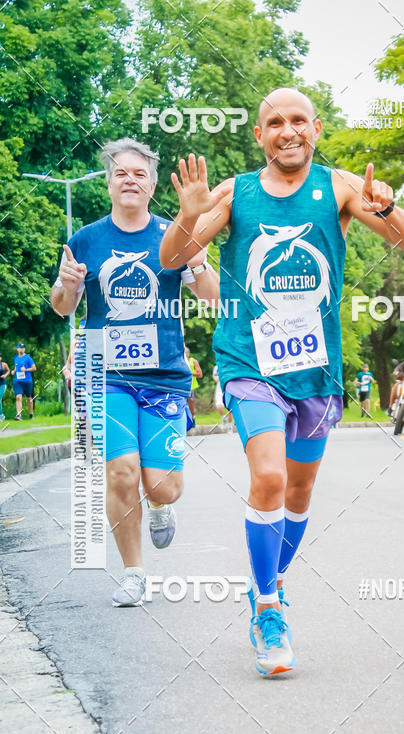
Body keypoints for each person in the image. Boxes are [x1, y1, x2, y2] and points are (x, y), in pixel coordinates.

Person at [159, 87, 404, 675]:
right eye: (274, 122)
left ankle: (264, 583)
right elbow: (173, 260)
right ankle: (270, 611)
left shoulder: (341, 187)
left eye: (297, 120)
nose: (287, 130)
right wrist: (186, 214)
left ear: (316, 129)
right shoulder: (234, 193)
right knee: (271, 476)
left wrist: (386, 208)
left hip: (316, 370)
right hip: (248, 363)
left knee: (300, 494)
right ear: (260, 135)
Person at [50, 137, 219, 607]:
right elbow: (63, 306)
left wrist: (199, 258)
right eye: (120, 172)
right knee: (121, 472)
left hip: (164, 375)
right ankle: (134, 573)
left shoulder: (175, 234)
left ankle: (162, 507)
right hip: (104, 374)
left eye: (138, 173)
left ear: (150, 185)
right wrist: (66, 287)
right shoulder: (85, 240)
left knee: (163, 484)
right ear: (109, 183)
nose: (129, 180)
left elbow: (213, 298)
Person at [11, 343, 36, 420]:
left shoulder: (28, 358)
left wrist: (26, 370)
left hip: (27, 381)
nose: (21, 349)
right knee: (18, 397)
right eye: (20, 348)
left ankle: (31, 414)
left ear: (24, 349)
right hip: (18, 381)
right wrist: (14, 371)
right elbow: (16, 366)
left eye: (23, 348)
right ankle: (19, 415)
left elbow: (34, 368)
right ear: (17, 349)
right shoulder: (16, 358)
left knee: (29, 398)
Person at [185, 346, 203, 425]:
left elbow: (200, 374)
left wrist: (190, 373)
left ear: (188, 353)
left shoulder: (193, 361)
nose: (185, 354)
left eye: (186, 352)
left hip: (192, 387)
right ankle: (185, 422)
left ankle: (193, 419)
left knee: (191, 406)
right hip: (181, 387)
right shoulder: (180, 362)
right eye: (183, 352)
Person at [213, 363, 233, 430]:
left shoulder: (229, 366)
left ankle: (230, 426)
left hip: (228, 388)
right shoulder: (216, 367)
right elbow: (214, 376)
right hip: (219, 388)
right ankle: (223, 417)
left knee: (229, 409)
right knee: (218, 406)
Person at [0, 352, 9, 421]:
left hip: (2, 384)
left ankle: (1, 415)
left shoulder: (3, 364)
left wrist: (5, 375)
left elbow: (8, 370)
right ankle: (1, 415)